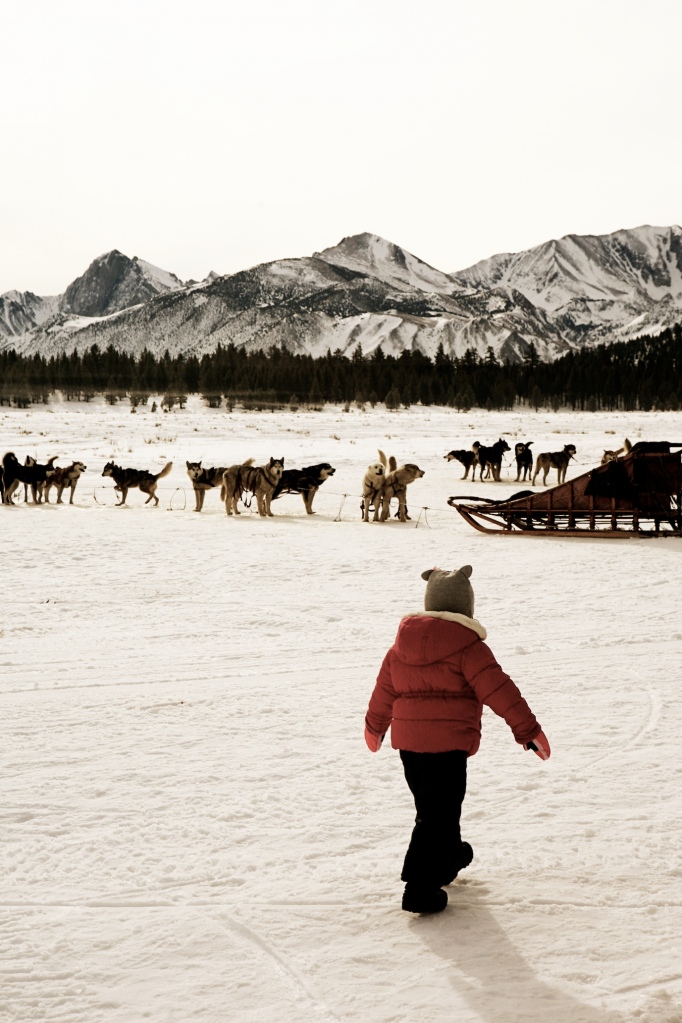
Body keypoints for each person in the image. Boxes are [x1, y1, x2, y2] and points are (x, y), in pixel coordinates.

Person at [364, 565, 550, 915]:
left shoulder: (400, 647)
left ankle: (448, 858)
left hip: (410, 748)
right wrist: (527, 731)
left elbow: (383, 691)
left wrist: (374, 727)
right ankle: (419, 888)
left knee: (436, 808)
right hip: (447, 747)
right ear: (466, 607)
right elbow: (499, 690)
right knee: (437, 814)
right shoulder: (468, 646)